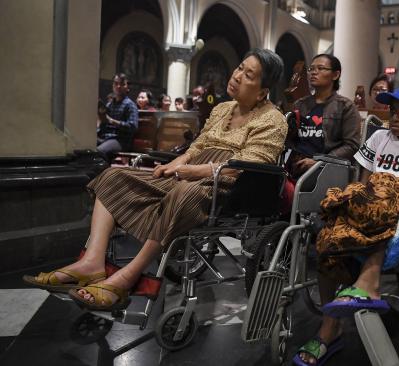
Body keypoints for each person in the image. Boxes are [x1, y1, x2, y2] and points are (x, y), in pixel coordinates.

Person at [23, 49, 288, 311]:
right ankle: (92, 262)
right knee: (113, 176)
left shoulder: (273, 120)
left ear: (263, 91)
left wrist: (195, 172)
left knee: (184, 192)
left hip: (227, 186)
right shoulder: (222, 109)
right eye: (240, 67)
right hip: (191, 173)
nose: (238, 75)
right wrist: (175, 164)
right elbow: (198, 146)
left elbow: (249, 166)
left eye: (249, 74)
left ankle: (130, 275)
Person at [294, 83, 399, 366]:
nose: (396, 117)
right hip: (372, 201)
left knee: (386, 184)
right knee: (330, 232)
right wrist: (357, 204)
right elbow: (362, 181)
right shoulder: (379, 138)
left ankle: (365, 286)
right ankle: (330, 328)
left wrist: (385, 196)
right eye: (393, 110)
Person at [285, 54, 361, 179]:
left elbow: (351, 145)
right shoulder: (300, 104)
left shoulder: (345, 106)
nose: (314, 73)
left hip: (326, 169)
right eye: (311, 69)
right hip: (297, 166)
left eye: (320, 68)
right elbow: (290, 139)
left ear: (335, 75)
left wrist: (320, 161)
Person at [96, 73, 139, 158]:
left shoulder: (130, 105)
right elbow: (104, 123)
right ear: (113, 86)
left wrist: (112, 121)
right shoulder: (110, 104)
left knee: (100, 151)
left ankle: (104, 171)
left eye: (122, 84)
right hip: (106, 137)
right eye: (116, 83)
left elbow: (133, 127)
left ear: (127, 88)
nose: (118, 86)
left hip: (121, 140)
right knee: (85, 148)